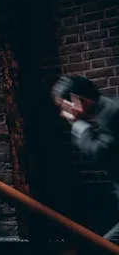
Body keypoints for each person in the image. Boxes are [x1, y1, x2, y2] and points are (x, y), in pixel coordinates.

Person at [53, 75, 119, 243]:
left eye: (64, 107)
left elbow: (100, 154)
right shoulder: (108, 110)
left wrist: (77, 124)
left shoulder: (113, 115)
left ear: (78, 100)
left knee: (104, 248)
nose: (63, 114)